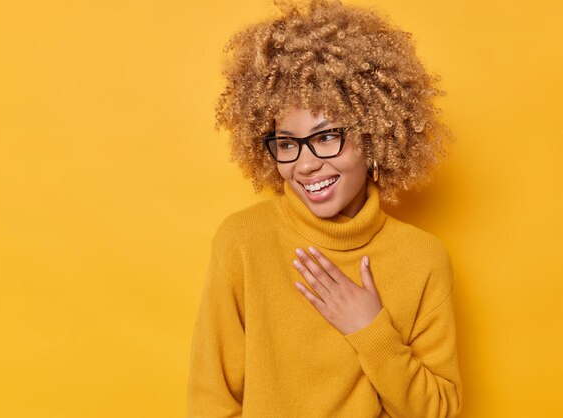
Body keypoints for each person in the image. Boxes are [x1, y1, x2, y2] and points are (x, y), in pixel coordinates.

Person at [186, 0, 462, 417]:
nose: (306, 162)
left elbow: (439, 411)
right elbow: (211, 401)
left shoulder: (422, 259)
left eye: (327, 136)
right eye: (286, 143)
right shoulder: (242, 241)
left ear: (374, 132)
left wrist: (370, 330)